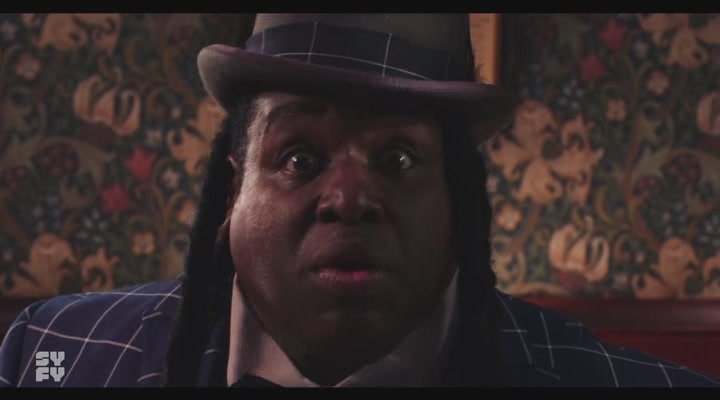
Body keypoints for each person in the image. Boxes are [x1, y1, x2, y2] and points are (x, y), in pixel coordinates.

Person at [0, 13, 717, 388]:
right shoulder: (51, 358)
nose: (348, 198)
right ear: (232, 191)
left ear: (460, 204)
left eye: (399, 159)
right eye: (299, 158)